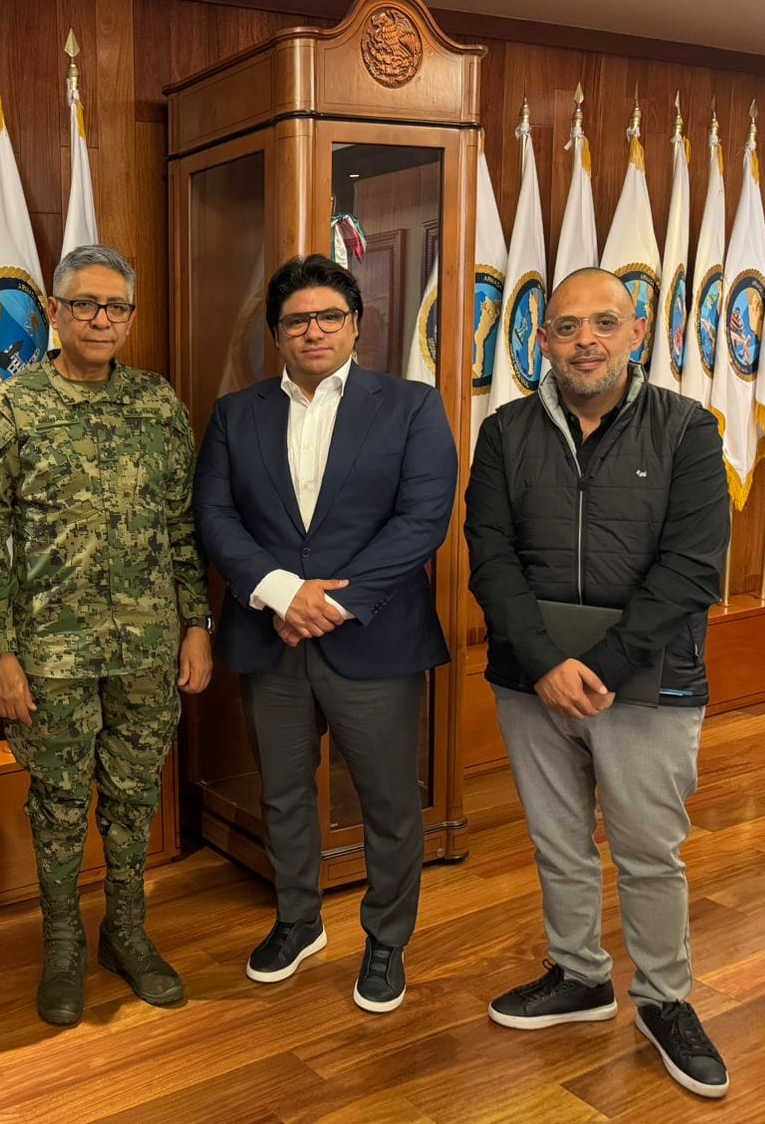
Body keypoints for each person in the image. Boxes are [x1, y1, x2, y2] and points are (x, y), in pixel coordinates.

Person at [465, 267, 731, 1099]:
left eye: (605, 323)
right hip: (531, 682)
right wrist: (546, 662)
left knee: (650, 851)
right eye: (568, 326)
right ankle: (579, 975)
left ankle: (664, 999)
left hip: (648, 682)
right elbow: (489, 557)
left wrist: (604, 666)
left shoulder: (688, 429)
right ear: (543, 341)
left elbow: (692, 568)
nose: (587, 340)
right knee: (558, 841)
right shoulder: (505, 431)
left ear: (637, 332)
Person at [193, 253, 456, 1013]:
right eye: (298, 320)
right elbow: (214, 515)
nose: (315, 331)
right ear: (277, 334)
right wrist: (281, 593)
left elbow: (422, 520)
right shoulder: (237, 414)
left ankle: (386, 941)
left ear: (356, 325)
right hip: (270, 636)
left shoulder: (411, 406)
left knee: (389, 803)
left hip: (373, 638)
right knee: (283, 793)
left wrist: (331, 605)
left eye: (330, 317)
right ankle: (298, 921)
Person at [0, 243, 212, 1027]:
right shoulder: (12, 410)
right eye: (84, 304)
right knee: (61, 804)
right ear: (55, 311)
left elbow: (181, 524)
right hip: (51, 654)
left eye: (115, 307)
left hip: (147, 648)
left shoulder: (156, 403)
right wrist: (0, 651)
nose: (100, 319)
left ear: (130, 318)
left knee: (135, 799)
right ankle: (64, 945)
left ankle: (127, 933)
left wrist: (197, 624)